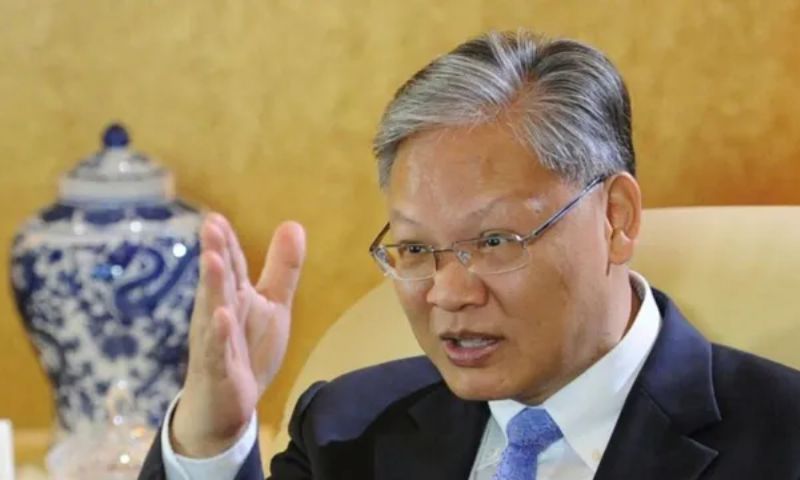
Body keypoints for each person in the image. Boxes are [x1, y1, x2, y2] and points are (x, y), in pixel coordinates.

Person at [139, 30, 800, 480]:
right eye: (415, 248)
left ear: (616, 218)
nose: (449, 294)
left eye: (494, 242)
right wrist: (209, 441)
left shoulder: (784, 439)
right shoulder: (351, 429)